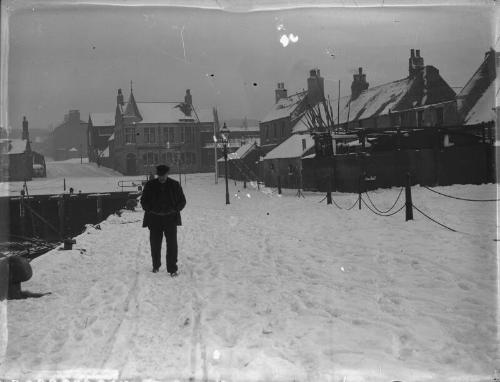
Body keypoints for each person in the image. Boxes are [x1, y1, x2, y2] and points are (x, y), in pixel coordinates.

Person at [140, 164, 186, 276]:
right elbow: (143, 201)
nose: (162, 178)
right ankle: (156, 266)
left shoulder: (175, 185)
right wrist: (150, 209)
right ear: (157, 175)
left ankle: (172, 269)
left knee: (172, 245)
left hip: (170, 219)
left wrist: (175, 209)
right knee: (155, 244)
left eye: (164, 176)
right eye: (160, 176)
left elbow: (182, 201)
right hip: (154, 219)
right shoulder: (150, 185)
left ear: (167, 174)